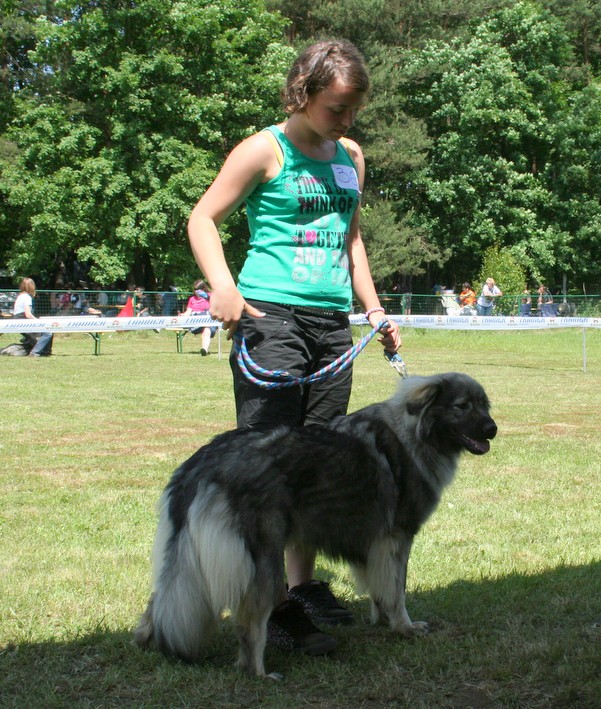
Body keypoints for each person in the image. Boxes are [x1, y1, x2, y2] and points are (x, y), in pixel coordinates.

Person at [187, 39, 401, 656]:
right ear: (302, 93)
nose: (346, 121)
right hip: (271, 318)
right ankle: (272, 603)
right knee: (268, 464)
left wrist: (374, 308)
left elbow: (351, 239)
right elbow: (203, 219)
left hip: (333, 325)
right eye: (336, 108)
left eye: (354, 109)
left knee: (321, 462)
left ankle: (304, 588)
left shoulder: (349, 157)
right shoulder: (264, 150)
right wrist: (223, 287)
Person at [13, 277, 53, 357]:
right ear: (31, 286)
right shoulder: (27, 297)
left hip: (18, 321)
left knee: (46, 332)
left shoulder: (20, 296)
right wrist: (37, 321)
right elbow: (28, 314)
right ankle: (35, 353)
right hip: (24, 322)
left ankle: (44, 351)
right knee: (48, 333)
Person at [181, 279, 217, 355]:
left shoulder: (210, 296)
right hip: (196, 322)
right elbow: (188, 311)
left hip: (209, 320)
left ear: (204, 289)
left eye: (198, 289)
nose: (196, 291)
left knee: (207, 330)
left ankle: (204, 349)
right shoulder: (192, 299)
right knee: (206, 327)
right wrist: (183, 315)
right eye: (195, 289)